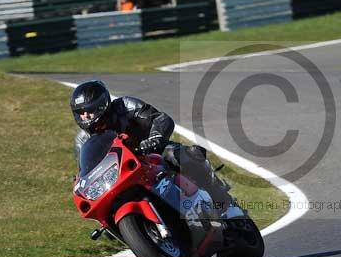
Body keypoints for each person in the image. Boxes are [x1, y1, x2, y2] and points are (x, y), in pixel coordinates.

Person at [70, 80, 233, 212]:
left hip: (153, 154)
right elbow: (86, 171)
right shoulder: (82, 141)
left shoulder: (125, 106)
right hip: (120, 176)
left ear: (101, 105)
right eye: (80, 112)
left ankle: (222, 201)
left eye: (88, 110)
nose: (85, 116)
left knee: (185, 155)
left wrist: (154, 138)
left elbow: (161, 119)